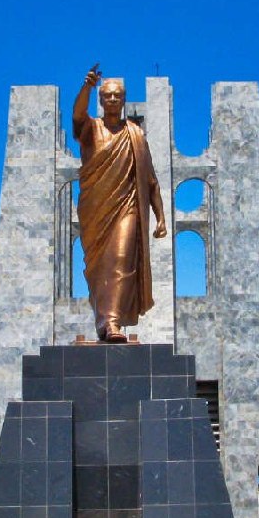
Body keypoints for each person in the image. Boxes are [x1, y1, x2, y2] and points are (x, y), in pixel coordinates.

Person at [73, 64, 167, 342]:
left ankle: (112, 323)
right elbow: (78, 118)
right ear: (101, 101)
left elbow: (149, 179)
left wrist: (160, 216)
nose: (113, 100)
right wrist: (87, 88)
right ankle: (103, 322)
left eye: (117, 96)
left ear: (123, 101)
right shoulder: (91, 129)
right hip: (95, 209)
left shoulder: (136, 134)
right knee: (99, 268)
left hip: (127, 207)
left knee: (122, 260)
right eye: (108, 96)